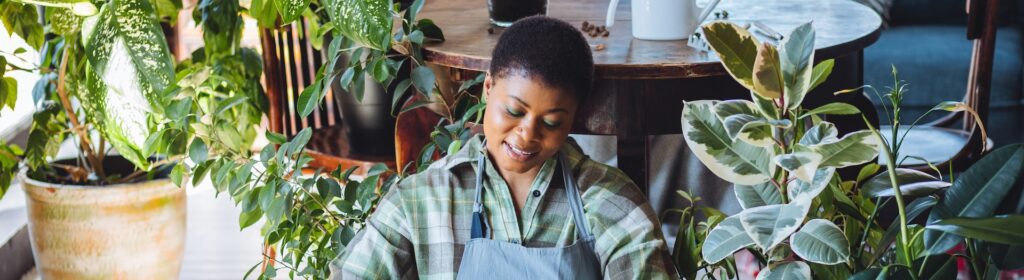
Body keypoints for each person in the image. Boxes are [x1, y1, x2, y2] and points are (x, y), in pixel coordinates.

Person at [330, 16, 678, 279]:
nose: (527, 136)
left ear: (574, 117)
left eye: (552, 122)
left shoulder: (610, 202)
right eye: (513, 111)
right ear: (488, 87)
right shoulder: (422, 200)